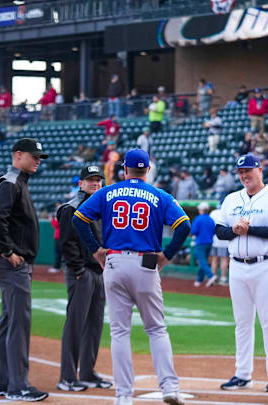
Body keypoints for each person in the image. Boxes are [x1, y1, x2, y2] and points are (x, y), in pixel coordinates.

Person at [71, 148, 190, 405]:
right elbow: (184, 225)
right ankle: (169, 387)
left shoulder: (107, 192)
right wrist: (167, 255)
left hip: (113, 262)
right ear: (147, 170)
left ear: (124, 169)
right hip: (146, 264)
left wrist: (95, 250)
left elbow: (79, 218)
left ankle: (123, 396)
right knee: (156, 329)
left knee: (120, 332)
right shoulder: (159, 194)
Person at [215, 154, 268, 393]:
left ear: (260, 169)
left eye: (248, 170)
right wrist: (236, 231)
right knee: (242, 323)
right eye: (240, 172)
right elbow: (219, 231)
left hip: (265, 264)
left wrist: (249, 230)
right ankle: (242, 374)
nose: (244, 175)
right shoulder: (231, 199)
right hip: (237, 265)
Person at [0, 138, 49, 402]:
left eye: (39, 157)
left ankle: (3, 382)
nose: (37, 160)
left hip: (14, 263)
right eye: (34, 156)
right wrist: (8, 250)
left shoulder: (17, 183)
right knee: (18, 324)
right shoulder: (10, 183)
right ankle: (18, 386)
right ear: (18, 155)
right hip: (13, 263)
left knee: (9, 321)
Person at [56, 166, 113, 392]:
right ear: (80, 183)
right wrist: (78, 270)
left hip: (99, 272)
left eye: (98, 180)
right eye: (90, 180)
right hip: (82, 272)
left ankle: (88, 373)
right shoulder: (71, 208)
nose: (95, 183)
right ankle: (68, 376)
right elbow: (67, 244)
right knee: (76, 324)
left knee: (94, 324)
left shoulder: (101, 208)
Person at [191, 202, 217, 287]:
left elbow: (194, 231)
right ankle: (199, 280)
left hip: (201, 242)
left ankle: (211, 275)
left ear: (201, 210)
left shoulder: (198, 219)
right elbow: (214, 231)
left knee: (201, 261)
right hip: (209, 242)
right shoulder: (211, 219)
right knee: (203, 261)